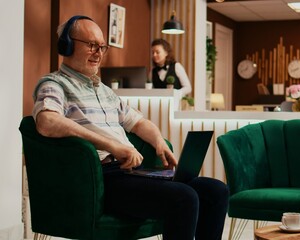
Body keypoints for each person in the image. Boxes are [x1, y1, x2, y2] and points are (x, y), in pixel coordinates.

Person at [32, 15, 228, 240]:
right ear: (66, 44)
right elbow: (47, 121)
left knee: (216, 191)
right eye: (91, 45)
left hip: (133, 172)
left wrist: (158, 142)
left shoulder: (104, 91)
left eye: (102, 47)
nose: (98, 53)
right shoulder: (54, 84)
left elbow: (139, 122)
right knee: (184, 197)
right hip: (101, 180)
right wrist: (112, 145)